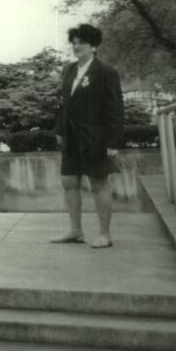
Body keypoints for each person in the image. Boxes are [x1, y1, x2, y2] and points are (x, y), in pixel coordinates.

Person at [50, 22, 126, 249]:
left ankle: (105, 234)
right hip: (71, 136)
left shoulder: (106, 72)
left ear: (93, 45)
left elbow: (116, 109)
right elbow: (65, 105)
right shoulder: (68, 70)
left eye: (81, 42)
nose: (76, 46)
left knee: (98, 183)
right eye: (73, 43)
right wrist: (60, 131)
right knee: (68, 181)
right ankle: (76, 230)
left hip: (95, 136)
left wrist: (113, 142)